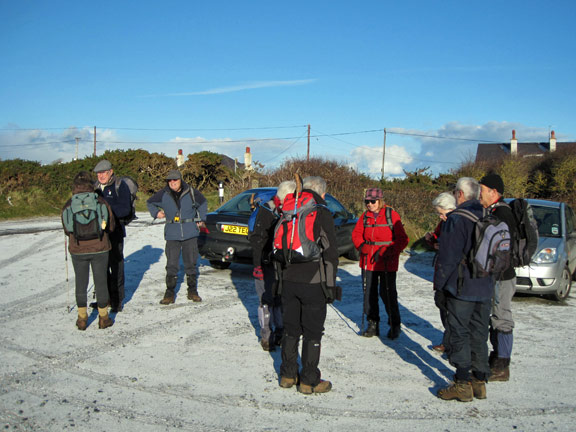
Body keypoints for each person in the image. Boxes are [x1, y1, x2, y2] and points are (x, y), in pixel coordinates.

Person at [277, 176, 338, 394]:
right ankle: (309, 380)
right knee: (313, 331)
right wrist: (330, 286)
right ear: (322, 193)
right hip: (313, 281)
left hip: (288, 279)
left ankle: (287, 374)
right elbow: (330, 253)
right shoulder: (321, 212)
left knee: (291, 328)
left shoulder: (289, 210)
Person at [435, 177, 493, 402]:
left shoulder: (456, 219)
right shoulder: (488, 215)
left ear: (459, 194)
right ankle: (479, 382)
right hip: (485, 285)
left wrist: (440, 287)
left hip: (462, 286)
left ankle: (461, 383)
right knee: (479, 333)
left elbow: (447, 258)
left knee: (459, 332)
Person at [351, 188, 409, 339]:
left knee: (387, 293)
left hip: (387, 262)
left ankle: (394, 324)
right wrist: (361, 246)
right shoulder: (365, 217)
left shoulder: (391, 215)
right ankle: (372, 324)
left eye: (372, 201)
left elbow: (403, 240)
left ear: (380, 201)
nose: (369, 204)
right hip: (368, 260)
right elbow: (356, 234)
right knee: (369, 294)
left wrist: (386, 251)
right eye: (367, 201)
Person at [62, 171, 115, 330]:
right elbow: (111, 224)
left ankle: (82, 318)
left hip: (78, 249)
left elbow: (67, 229)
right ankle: (103, 318)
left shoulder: (69, 204)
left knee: (81, 282)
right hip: (100, 247)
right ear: (91, 185)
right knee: (101, 282)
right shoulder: (100, 201)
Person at [146, 169, 208, 304]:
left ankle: (192, 291)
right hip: (172, 234)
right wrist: (156, 213)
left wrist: (201, 218)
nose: (172, 182)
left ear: (181, 180)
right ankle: (169, 293)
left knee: (191, 263)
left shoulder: (191, 192)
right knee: (171, 265)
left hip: (190, 232)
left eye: (175, 180)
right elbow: (149, 202)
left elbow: (203, 203)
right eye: (170, 180)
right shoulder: (163, 194)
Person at [247, 181, 295, 351]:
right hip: (266, 262)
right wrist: (257, 265)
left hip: (280, 263)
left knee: (279, 298)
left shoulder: (288, 210)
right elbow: (257, 239)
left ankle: (279, 333)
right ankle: (267, 336)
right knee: (267, 299)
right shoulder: (267, 210)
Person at [479, 173, 517, 382]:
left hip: (502, 275)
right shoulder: (498, 211)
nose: (480, 194)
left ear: (493, 192)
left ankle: (502, 365)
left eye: (482, 190)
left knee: (501, 317)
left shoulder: (502, 213)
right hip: (499, 274)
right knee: (496, 315)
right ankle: (496, 359)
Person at [93, 160, 132, 313]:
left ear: (111, 172)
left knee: (116, 266)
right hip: (98, 234)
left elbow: (125, 209)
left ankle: (117, 301)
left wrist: (105, 209)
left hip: (115, 232)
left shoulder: (120, 185)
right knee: (100, 267)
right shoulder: (95, 187)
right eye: (98, 173)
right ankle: (103, 299)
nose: (100, 175)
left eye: (103, 172)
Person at [427, 192, 457, 354]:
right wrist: (431, 240)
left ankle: (451, 343)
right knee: (441, 303)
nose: (440, 217)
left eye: (441, 213)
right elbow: (437, 238)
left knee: (450, 307)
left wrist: (441, 246)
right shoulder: (444, 223)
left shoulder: (457, 222)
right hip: (442, 270)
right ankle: (448, 340)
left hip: (452, 272)